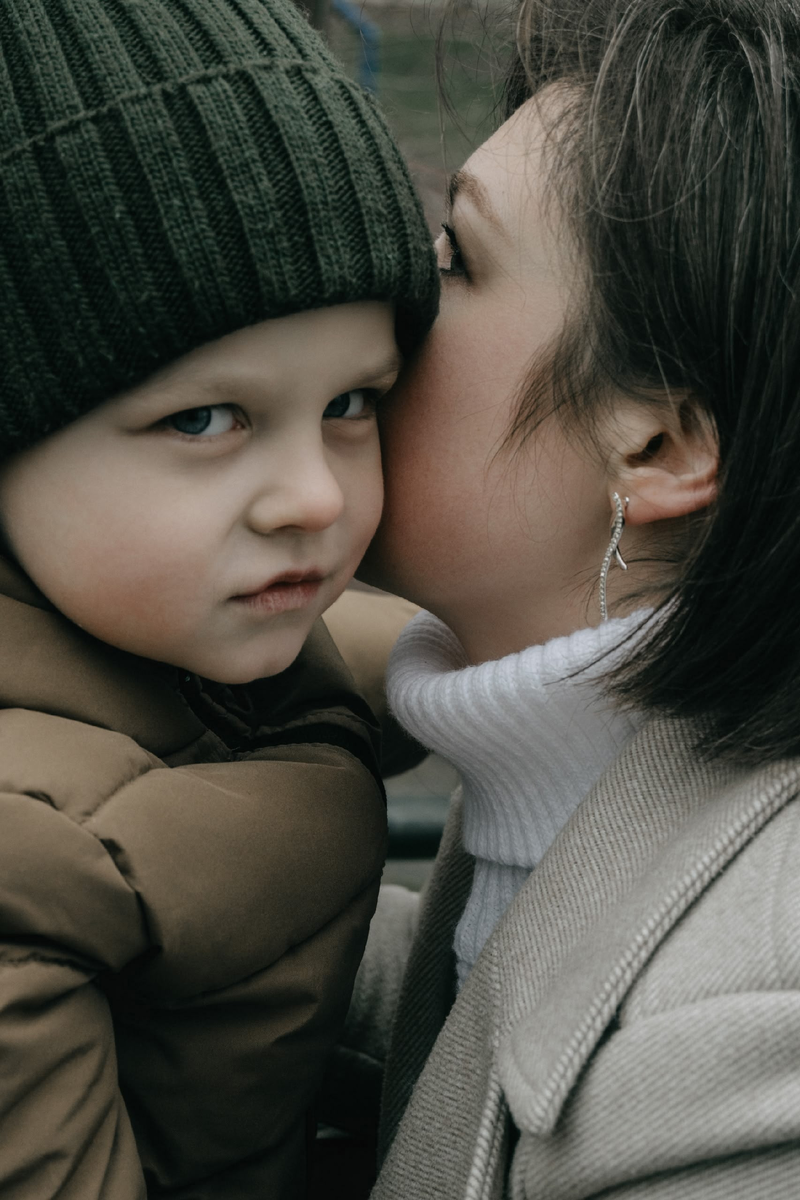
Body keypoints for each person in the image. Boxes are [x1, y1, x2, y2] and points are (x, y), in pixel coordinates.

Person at [320, 0, 800, 1195]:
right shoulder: (566, 793)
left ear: (654, 447)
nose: (376, 325)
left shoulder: (753, 1029)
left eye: (453, 259)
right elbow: (479, 1045)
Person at [0, 0, 437, 1196]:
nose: (309, 495)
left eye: (352, 402)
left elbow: (398, 657)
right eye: (203, 418)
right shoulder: (22, 864)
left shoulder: (172, 615)